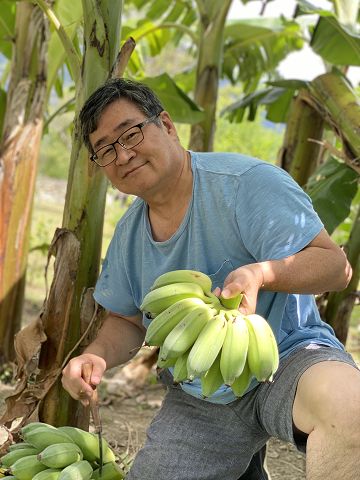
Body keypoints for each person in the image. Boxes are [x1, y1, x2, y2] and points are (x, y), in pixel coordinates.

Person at [61, 78, 360, 480]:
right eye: (106, 149)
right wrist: (96, 356)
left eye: (130, 133)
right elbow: (127, 321)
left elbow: (335, 267)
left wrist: (262, 273)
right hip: (201, 391)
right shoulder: (130, 236)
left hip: (290, 357)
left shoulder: (246, 184)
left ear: (166, 125)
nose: (124, 154)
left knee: (350, 410)